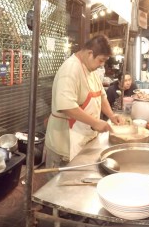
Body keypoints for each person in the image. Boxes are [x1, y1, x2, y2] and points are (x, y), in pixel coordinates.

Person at [44, 35, 126, 168]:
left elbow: (101, 95)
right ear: (90, 53)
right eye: (101, 60)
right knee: (60, 185)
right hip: (64, 145)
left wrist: (111, 116)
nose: (102, 65)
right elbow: (67, 107)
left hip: (82, 140)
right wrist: (95, 122)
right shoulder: (70, 69)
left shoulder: (90, 69)